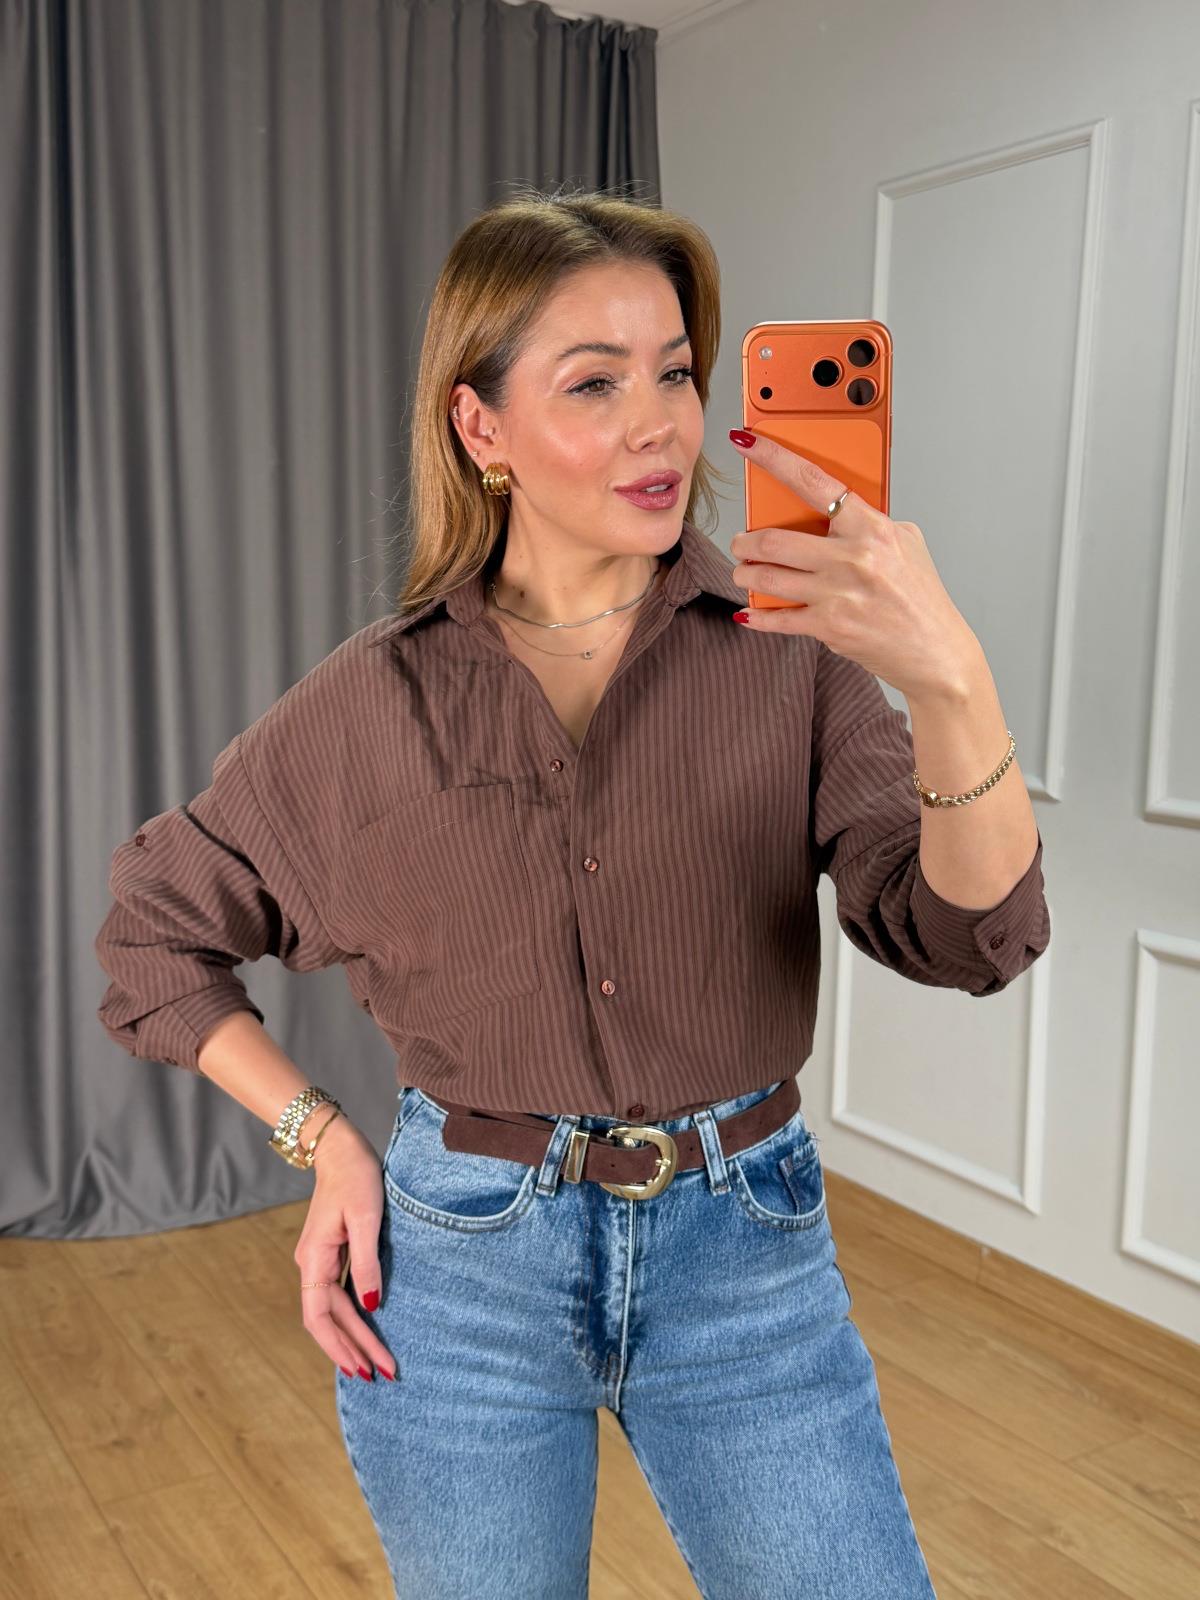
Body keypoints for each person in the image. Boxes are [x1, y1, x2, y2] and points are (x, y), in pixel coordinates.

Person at [95, 184, 1049, 1598]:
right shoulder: (374, 700)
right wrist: (324, 1141)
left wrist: (953, 682)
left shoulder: (793, 658)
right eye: (594, 383)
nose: (658, 425)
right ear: (480, 428)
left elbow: (966, 936)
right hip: (462, 1272)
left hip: (748, 1259)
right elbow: (152, 936)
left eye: (674, 373)